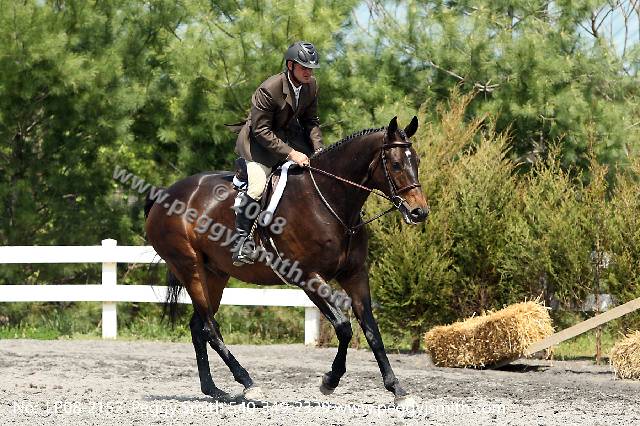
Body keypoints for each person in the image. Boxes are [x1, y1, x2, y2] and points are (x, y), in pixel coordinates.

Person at [231, 41, 324, 266]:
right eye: (304, 67)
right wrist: (291, 154)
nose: (309, 73)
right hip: (259, 145)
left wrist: (319, 149)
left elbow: (311, 121)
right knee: (257, 186)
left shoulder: (311, 85)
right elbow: (261, 130)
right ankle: (241, 243)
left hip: (290, 138)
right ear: (290, 65)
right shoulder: (269, 88)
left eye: (311, 68)